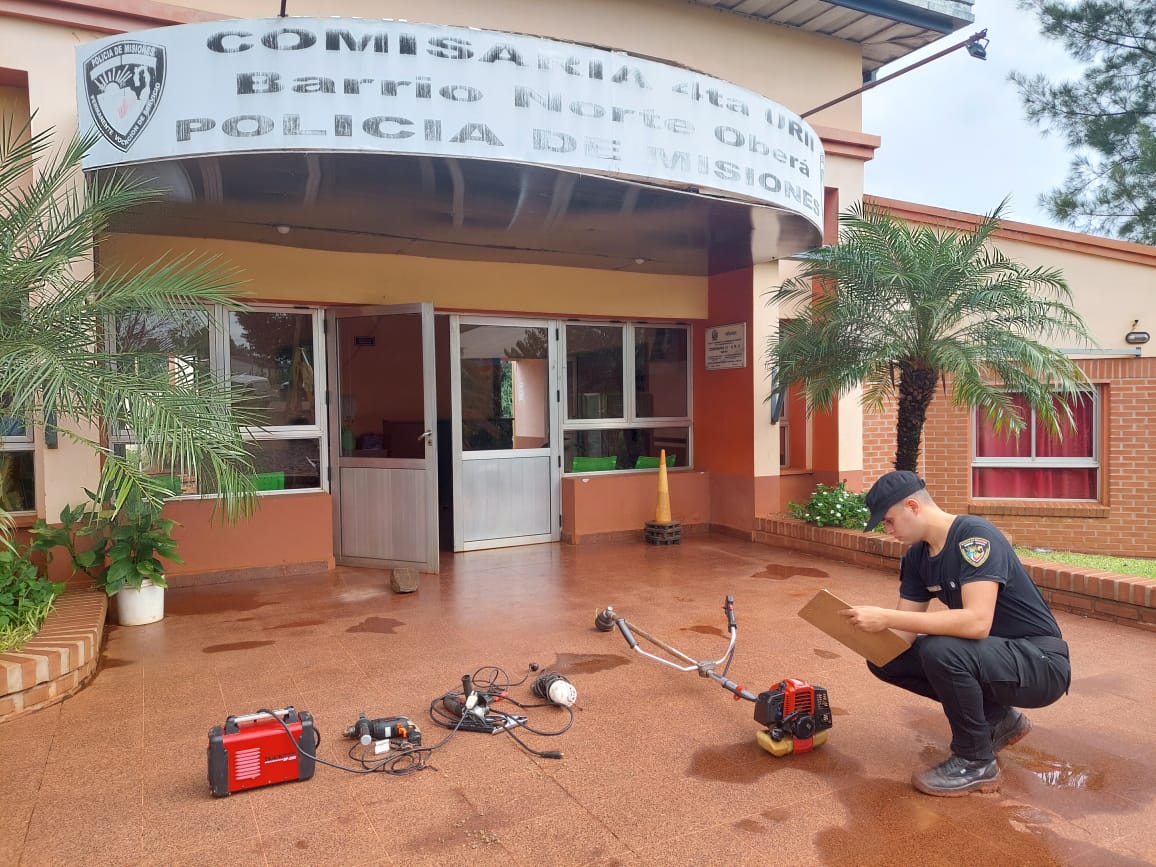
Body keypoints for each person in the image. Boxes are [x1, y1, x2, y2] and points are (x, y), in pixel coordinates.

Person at [839, 470, 1071, 797]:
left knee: (942, 650)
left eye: (889, 521)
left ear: (912, 506)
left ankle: (975, 761)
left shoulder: (974, 537)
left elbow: (977, 622)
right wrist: (860, 635)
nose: (888, 531)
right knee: (885, 660)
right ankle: (999, 720)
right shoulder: (917, 556)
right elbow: (904, 636)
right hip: (996, 657)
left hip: (1041, 663)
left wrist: (884, 616)